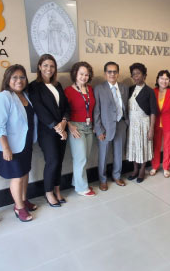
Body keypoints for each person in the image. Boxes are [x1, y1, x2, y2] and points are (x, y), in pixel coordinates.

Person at [0, 65, 38, 222]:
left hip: (25, 143)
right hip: (12, 146)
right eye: (15, 77)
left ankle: (24, 201)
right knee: (17, 177)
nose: (19, 80)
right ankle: (19, 208)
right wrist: (5, 147)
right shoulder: (3, 97)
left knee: (24, 174)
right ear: (8, 79)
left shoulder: (25, 96)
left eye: (22, 77)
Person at [29, 54, 70, 207]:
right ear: (39, 67)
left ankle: (58, 190)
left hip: (62, 128)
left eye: (52, 66)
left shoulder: (57, 85)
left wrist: (64, 122)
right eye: (45, 65)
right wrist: (56, 126)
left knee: (59, 161)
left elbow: (66, 106)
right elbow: (39, 109)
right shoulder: (34, 86)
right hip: (47, 131)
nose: (49, 69)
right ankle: (48, 193)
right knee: (52, 161)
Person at [93, 61, 129, 191]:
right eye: (109, 71)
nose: (112, 74)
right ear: (105, 74)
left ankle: (117, 176)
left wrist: (126, 122)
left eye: (115, 71)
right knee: (103, 155)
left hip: (121, 124)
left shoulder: (124, 88)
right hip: (105, 127)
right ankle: (102, 180)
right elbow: (96, 111)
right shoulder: (99, 88)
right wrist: (99, 130)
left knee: (119, 153)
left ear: (118, 73)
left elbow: (126, 107)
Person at [64, 62, 96, 196]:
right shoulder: (68, 91)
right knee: (80, 158)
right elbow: (63, 112)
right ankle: (82, 188)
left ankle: (77, 182)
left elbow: (93, 108)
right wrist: (70, 126)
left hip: (89, 127)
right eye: (81, 74)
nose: (84, 77)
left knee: (85, 157)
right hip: (76, 127)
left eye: (86, 74)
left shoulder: (90, 89)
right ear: (75, 74)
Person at [126, 63, 157, 183]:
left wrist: (151, 129)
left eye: (138, 73)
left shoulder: (149, 91)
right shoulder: (130, 89)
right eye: (133, 74)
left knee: (143, 146)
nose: (135, 76)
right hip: (132, 124)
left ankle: (142, 169)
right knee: (133, 146)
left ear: (144, 75)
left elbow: (153, 111)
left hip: (144, 123)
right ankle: (135, 169)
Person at [150, 70, 170, 178]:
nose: (164, 81)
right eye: (162, 78)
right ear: (158, 80)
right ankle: (155, 166)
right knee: (155, 146)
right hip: (155, 123)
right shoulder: (152, 92)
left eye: (167, 79)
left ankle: (166, 167)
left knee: (167, 147)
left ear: (169, 80)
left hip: (169, 123)